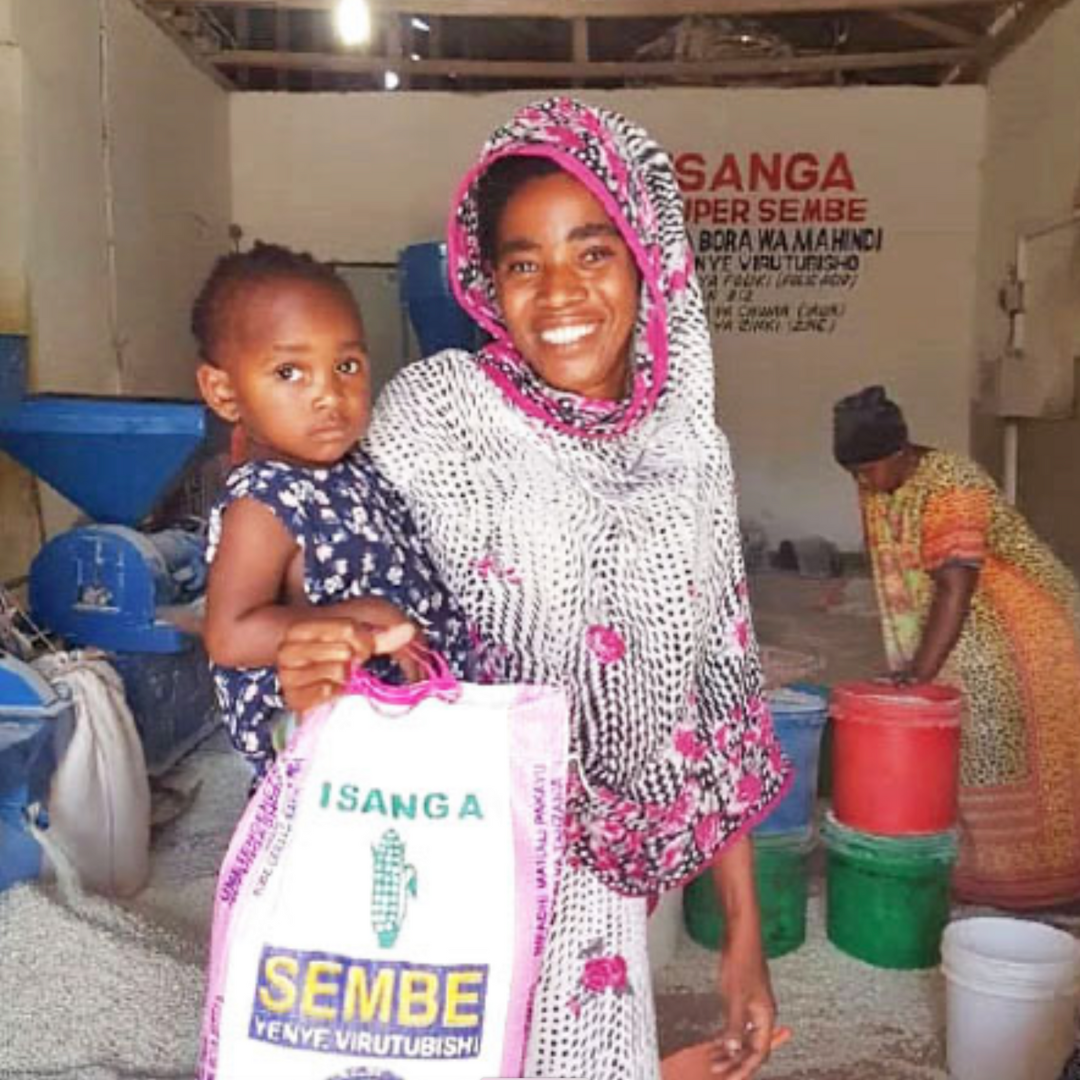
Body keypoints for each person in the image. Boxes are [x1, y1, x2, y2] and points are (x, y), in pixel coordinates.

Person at [276, 98, 790, 1080]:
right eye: (524, 262)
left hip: (600, 906)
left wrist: (742, 940)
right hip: (442, 860)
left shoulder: (689, 450)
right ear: (485, 278)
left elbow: (718, 694)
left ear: (648, 261)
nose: (559, 292)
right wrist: (314, 644)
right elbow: (327, 565)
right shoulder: (436, 418)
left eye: (592, 253)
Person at [192, 242, 471, 782]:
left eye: (346, 365)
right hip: (330, 754)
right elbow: (229, 634)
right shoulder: (265, 499)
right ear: (223, 391)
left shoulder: (357, 467)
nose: (329, 395)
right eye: (290, 372)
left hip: (394, 736)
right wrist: (359, 616)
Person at [834, 385, 1080, 908]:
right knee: (958, 747)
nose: (862, 482)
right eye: (853, 472)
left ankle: (1031, 891)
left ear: (901, 452)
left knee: (991, 744)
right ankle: (975, 881)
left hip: (1024, 629)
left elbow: (954, 586)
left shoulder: (952, 485)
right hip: (962, 626)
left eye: (869, 469)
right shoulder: (882, 482)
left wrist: (919, 674)